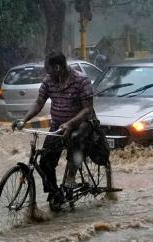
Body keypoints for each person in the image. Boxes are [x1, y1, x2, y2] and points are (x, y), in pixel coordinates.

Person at [12, 51, 94, 207]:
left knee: (75, 140)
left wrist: (70, 123)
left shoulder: (81, 81)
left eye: (47, 69)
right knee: (45, 161)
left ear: (57, 67)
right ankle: (55, 192)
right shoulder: (49, 80)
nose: (46, 72)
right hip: (57, 125)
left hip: (79, 124)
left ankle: (71, 177)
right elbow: (39, 103)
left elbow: (87, 110)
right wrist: (24, 120)